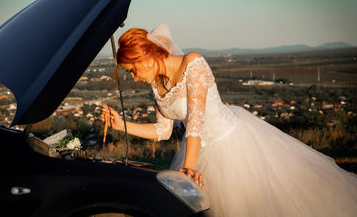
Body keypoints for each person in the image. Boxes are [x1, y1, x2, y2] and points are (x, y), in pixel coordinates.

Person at [101, 22, 357, 216]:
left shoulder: (193, 63)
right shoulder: (157, 86)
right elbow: (163, 131)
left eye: (133, 70)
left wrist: (189, 170)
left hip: (232, 146)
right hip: (196, 151)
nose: (134, 77)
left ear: (148, 56)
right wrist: (121, 125)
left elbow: (195, 123)